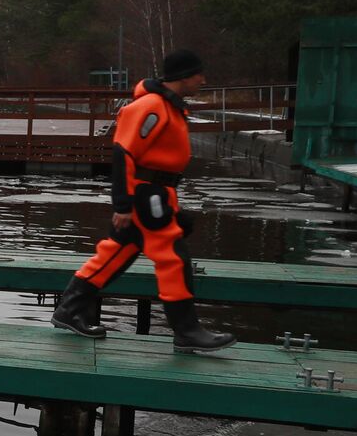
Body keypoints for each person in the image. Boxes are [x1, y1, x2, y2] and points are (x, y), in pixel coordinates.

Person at [52, 50, 234, 352]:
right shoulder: (151, 106)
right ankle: (187, 330)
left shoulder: (169, 107)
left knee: (115, 255)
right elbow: (124, 153)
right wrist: (123, 204)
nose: (203, 79)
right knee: (174, 260)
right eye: (198, 74)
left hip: (157, 196)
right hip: (146, 198)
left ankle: (69, 310)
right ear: (183, 76)